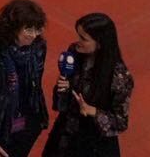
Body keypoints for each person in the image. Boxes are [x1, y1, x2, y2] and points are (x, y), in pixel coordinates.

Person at [0, 0, 49, 157]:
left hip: (26, 124)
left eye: (37, 29)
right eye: (28, 29)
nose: (33, 35)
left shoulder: (38, 46)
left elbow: (35, 84)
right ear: (12, 27)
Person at [46, 13, 133, 156]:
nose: (77, 41)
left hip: (94, 146)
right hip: (64, 137)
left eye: (83, 38)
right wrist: (63, 89)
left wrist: (93, 111)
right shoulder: (74, 52)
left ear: (100, 43)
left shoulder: (120, 77)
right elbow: (60, 105)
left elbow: (120, 122)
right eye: (78, 35)